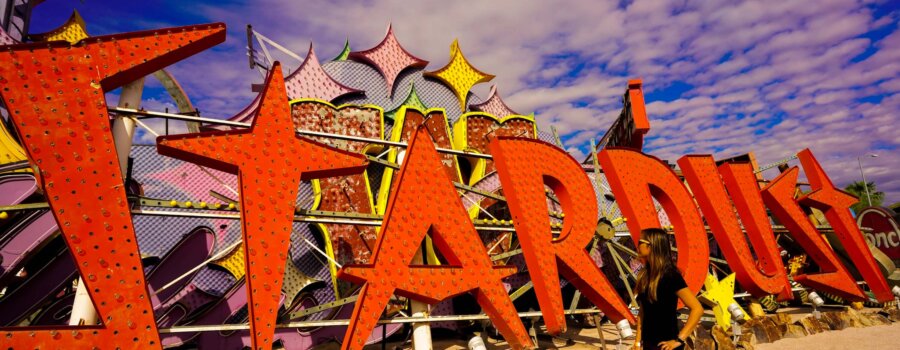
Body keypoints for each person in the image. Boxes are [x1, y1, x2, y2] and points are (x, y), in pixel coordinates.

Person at [633, 228, 703, 350]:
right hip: (648, 343)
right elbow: (643, 310)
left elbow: (697, 309)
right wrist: (637, 342)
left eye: (640, 242)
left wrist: (679, 339)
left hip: (667, 345)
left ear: (651, 245)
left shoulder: (670, 275)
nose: (637, 246)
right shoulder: (645, 274)